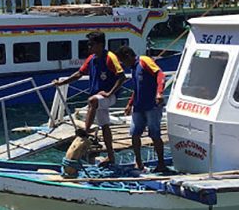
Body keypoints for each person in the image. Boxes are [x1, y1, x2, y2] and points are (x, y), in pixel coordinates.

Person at [53, 31, 125, 164]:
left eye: (91, 44)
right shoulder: (92, 59)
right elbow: (79, 74)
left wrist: (110, 93)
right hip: (98, 97)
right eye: (89, 44)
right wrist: (61, 82)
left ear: (100, 44)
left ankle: (85, 132)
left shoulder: (110, 57)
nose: (89, 47)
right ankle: (111, 156)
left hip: (109, 96)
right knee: (104, 125)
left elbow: (122, 77)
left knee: (92, 101)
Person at [115, 46, 167, 172]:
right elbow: (137, 88)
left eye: (122, 61)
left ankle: (161, 164)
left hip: (152, 105)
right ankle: (139, 163)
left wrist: (159, 93)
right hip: (139, 105)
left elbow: (160, 74)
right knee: (134, 134)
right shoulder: (133, 69)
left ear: (128, 56)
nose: (122, 64)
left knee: (154, 134)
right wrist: (130, 104)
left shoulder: (144, 61)